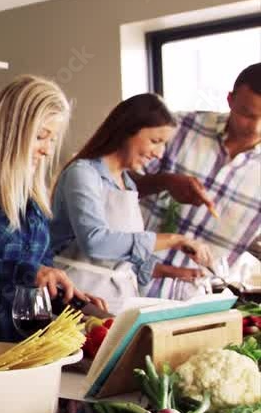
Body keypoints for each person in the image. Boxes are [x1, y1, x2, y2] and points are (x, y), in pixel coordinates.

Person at [0, 75, 106, 343]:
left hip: (28, 347)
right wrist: (23, 272)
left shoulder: (31, 197)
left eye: (52, 139)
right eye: (41, 136)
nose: (47, 150)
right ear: (11, 130)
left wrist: (68, 297)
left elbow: (40, 272)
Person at [51, 93, 213, 312]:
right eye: (155, 141)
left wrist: (177, 273)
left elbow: (125, 260)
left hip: (119, 303)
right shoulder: (83, 173)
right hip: (78, 301)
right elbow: (95, 242)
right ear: (126, 130)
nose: (159, 153)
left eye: (163, 144)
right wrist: (174, 240)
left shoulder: (128, 184)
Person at [137, 63, 261, 300]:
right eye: (247, 114)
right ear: (230, 100)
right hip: (130, 284)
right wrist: (165, 181)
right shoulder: (178, 128)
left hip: (200, 298)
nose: (256, 127)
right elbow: (115, 184)